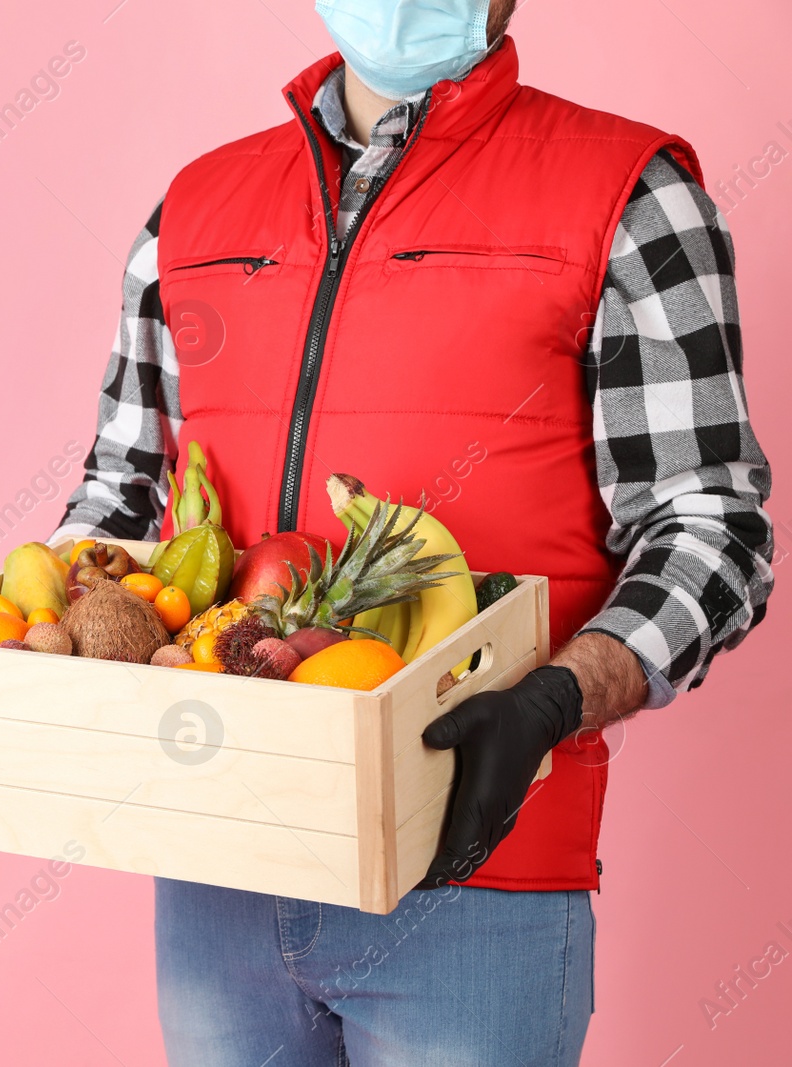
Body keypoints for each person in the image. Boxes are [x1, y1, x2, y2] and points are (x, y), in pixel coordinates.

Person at [53, 0, 774, 1063]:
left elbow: (710, 528)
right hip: (217, 854)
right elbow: (117, 496)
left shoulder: (628, 199)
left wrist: (552, 698)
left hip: (475, 870)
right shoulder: (191, 212)